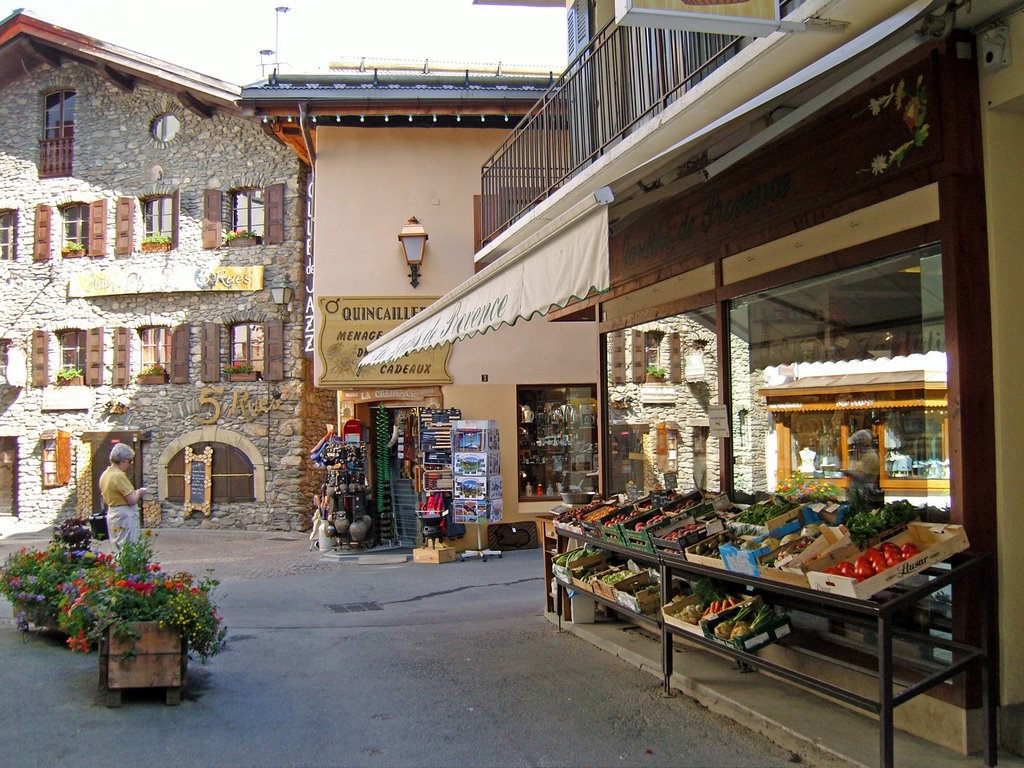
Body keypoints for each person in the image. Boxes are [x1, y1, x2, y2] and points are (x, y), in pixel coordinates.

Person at [99, 443, 147, 549]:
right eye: (129, 461)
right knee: (129, 545)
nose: (130, 464)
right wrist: (139, 493)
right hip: (125, 514)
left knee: (117, 546)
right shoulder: (119, 476)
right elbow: (131, 500)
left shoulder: (105, 474)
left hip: (112, 512)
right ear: (123, 460)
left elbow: (105, 498)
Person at [844, 429, 883, 508]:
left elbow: (863, 477)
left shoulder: (870, 456)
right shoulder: (864, 455)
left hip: (866, 494)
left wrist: (848, 472)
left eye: (857, 444)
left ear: (863, 443)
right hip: (860, 493)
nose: (856, 447)